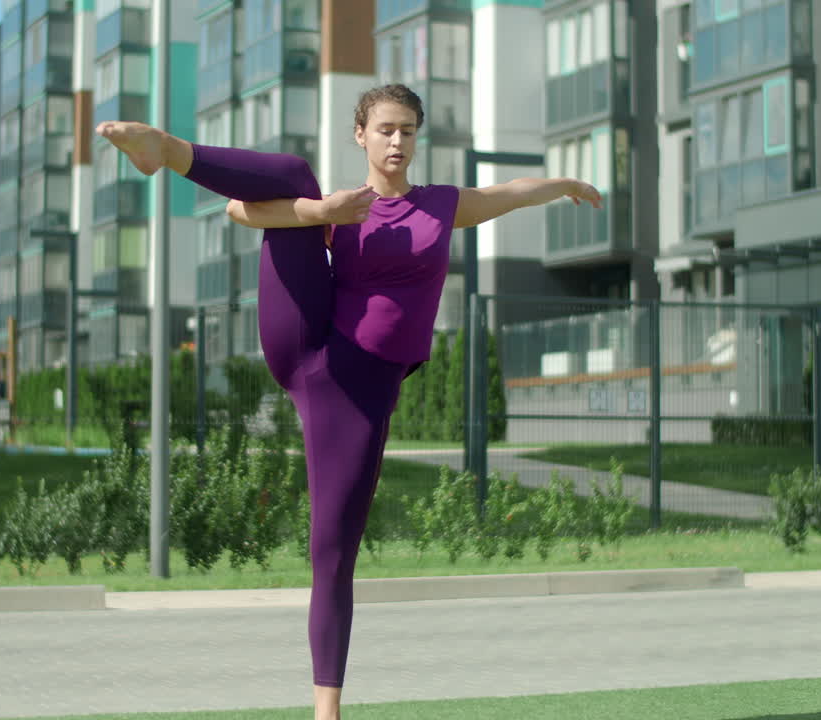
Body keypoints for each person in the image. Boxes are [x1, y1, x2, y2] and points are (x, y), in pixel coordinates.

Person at [98, 83, 601, 720]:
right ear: (361, 135)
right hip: (309, 344)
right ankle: (163, 150)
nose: (398, 141)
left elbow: (502, 196)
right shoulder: (343, 203)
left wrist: (561, 184)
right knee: (292, 177)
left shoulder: (439, 206)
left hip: (362, 391)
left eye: (409, 131)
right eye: (386, 129)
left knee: (334, 549)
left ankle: (325, 709)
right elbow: (238, 212)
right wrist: (321, 213)